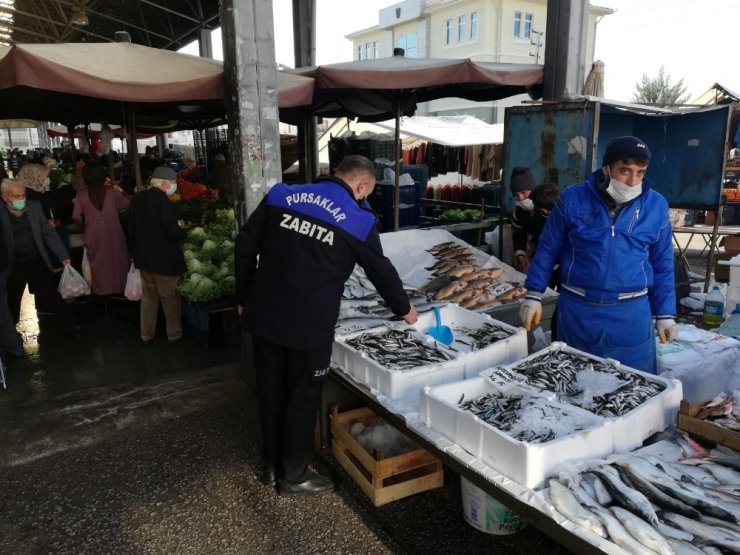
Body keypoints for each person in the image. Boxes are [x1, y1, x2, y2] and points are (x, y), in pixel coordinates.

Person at [236, 154, 417, 497]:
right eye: (365, 192)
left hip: (264, 316)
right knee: (302, 400)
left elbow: (245, 244)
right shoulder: (357, 219)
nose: (363, 197)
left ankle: (271, 466)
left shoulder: (281, 194)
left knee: (271, 393)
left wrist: (243, 295)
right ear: (361, 186)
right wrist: (404, 308)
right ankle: (294, 476)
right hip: (309, 327)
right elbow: (380, 269)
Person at [519, 136, 677, 374]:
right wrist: (533, 294)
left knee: (633, 384)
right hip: (578, 310)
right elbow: (548, 248)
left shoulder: (656, 205)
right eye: (624, 171)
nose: (632, 181)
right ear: (607, 167)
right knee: (572, 380)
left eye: (640, 172)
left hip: (631, 313)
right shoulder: (573, 198)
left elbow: (663, 263)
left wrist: (665, 313)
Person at [0, 178, 78, 334]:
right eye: (16, 196)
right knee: (12, 299)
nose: (21, 199)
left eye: (23, 195)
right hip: (13, 263)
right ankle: (10, 334)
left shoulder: (34, 207)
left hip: (36, 259)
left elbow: (48, 233)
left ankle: (70, 325)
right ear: (5, 197)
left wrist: (62, 254)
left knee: (50, 294)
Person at [127, 166, 187, 343]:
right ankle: (174, 333)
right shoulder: (164, 202)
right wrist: (185, 232)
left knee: (148, 298)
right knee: (169, 298)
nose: (174, 185)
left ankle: (146, 334)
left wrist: (134, 253)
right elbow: (171, 230)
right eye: (173, 183)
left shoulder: (137, 199)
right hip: (164, 259)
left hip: (143, 259)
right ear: (165, 183)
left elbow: (129, 227)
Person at [72, 162, 131, 296]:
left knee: (98, 263)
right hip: (114, 230)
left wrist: (85, 223)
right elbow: (128, 204)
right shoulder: (112, 192)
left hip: (92, 232)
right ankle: (119, 288)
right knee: (117, 259)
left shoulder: (81, 195)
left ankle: (101, 291)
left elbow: (75, 216)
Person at [508, 167, 538, 272]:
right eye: (516, 195)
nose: (520, 198)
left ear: (533, 190)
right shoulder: (518, 213)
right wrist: (521, 254)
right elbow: (519, 235)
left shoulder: (547, 207)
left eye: (523, 192)